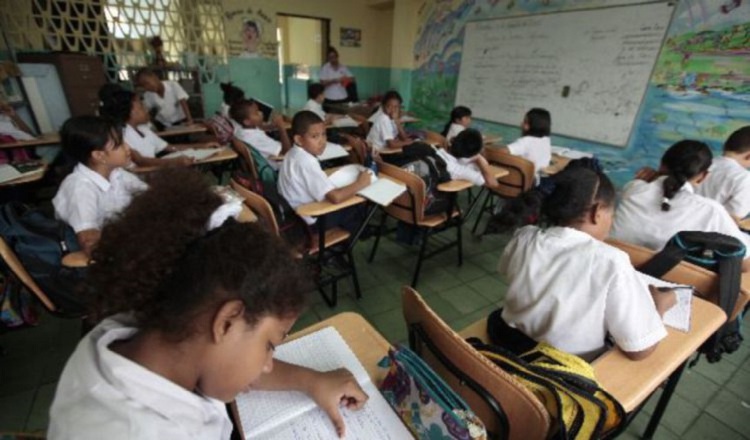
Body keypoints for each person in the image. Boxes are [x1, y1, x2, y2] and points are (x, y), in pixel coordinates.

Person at [48, 168, 369, 439]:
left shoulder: (150, 331)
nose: (267, 364)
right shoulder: (133, 431)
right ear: (227, 321)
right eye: (270, 344)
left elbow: (233, 357)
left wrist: (311, 380)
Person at [497, 167, 672, 361]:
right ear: (597, 212)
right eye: (612, 215)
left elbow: (507, 271)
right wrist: (660, 306)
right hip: (560, 366)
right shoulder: (612, 261)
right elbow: (639, 350)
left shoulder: (524, 236)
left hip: (507, 342)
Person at [610, 140, 750, 272]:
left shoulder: (633, 188)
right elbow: (744, 263)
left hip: (612, 265)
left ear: (661, 164)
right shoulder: (710, 211)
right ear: (703, 176)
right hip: (657, 283)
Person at [52, 116, 147, 257]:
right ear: (99, 156)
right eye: (120, 144)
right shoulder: (80, 188)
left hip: (126, 240)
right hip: (108, 256)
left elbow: (150, 196)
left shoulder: (117, 173)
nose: (128, 148)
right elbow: (89, 241)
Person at [278, 110, 370, 233]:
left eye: (324, 134)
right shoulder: (306, 161)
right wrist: (361, 183)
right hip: (310, 220)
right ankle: (356, 236)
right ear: (299, 139)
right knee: (358, 201)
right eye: (315, 136)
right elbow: (336, 198)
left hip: (295, 214)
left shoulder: (292, 153)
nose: (322, 141)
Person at [99, 86, 219, 169]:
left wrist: (200, 147)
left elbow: (169, 147)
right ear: (130, 112)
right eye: (141, 106)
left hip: (156, 171)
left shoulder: (143, 129)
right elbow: (141, 161)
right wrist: (174, 162)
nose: (146, 109)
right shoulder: (122, 134)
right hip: (144, 176)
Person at [696, 126, 750, 222]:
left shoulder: (701, 164)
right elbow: (734, 219)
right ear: (748, 156)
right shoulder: (744, 178)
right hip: (712, 233)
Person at [230, 99, 291, 170]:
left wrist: (273, 125)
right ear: (247, 122)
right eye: (256, 113)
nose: (261, 113)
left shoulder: (241, 131)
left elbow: (259, 128)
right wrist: (281, 127)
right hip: (280, 166)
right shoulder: (256, 139)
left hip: (275, 156)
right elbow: (287, 152)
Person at [503, 108, 552, 175]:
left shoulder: (525, 141)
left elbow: (501, 152)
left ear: (534, 125)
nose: (521, 124)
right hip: (540, 178)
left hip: (527, 180)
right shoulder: (546, 139)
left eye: (525, 122)